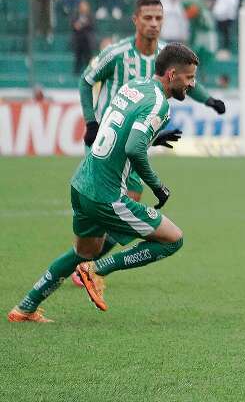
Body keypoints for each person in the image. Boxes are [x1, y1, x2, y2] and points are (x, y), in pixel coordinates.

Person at [8, 43, 198, 322]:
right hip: (106, 196)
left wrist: (151, 138)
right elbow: (134, 148)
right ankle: (97, 269)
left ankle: (25, 307)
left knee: (83, 250)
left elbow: (118, 126)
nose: (192, 84)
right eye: (189, 77)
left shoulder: (134, 86)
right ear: (171, 74)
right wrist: (157, 185)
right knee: (173, 239)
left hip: (82, 183)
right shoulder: (160, 105)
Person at [72, 0, 225, 286]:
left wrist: (209, 100)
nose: (154, 24)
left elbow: (187, 81)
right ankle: (87, 265)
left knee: (127, 202)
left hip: (135, 140)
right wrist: (91, 121)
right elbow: (86, 80)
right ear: (135, 20)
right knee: (118, 207)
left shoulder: (168, 53)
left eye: (158, 18)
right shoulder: (117, 53)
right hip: (109, 140)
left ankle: (89, 265)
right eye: (148, 18)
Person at [71, 0, 95, 74]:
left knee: (88, 57)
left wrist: (82, 25)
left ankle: (89, 73)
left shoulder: (90, 16)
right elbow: (74, 26)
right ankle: (76, 71)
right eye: (81, 6)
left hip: (87, 41)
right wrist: (79, 25)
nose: (83, 8)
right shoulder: (75, 16)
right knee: (78, 58)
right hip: (78, 40)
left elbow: (91, 25)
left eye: (84, 6)